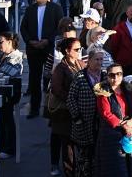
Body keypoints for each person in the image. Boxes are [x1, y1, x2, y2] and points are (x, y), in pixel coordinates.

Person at [20, 0, 64, 118]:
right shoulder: (30, 9)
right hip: (33, 49)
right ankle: (34, 108)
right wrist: (30, 41)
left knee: (49, 79)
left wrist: (48, 40)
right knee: (34, 79)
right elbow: (23, 28)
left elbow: (59, 28)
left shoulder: (55, 9)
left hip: (49, 48)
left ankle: (49, 109)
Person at [93, 63, 132, 177]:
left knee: (131, 167)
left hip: (128, 134)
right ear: (107, 76)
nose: (115, 78)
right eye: (112, 75)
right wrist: (125, 125)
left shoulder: (127, 90)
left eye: (119, 74)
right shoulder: (103, 93)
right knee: (115, 169)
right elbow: (106, 114)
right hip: (111, 136)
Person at [48, 37, 82, 176]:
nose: (79, 51)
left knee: (74, 142)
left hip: (75, 109)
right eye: (76, 49)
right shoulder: (60, 68)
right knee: (66, 143)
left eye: (80, 49)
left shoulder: (80, 64)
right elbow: (56, 89)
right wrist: (72, 99)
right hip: (63, 112)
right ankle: (68, 171)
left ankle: (76, 169)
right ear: (67, 51)